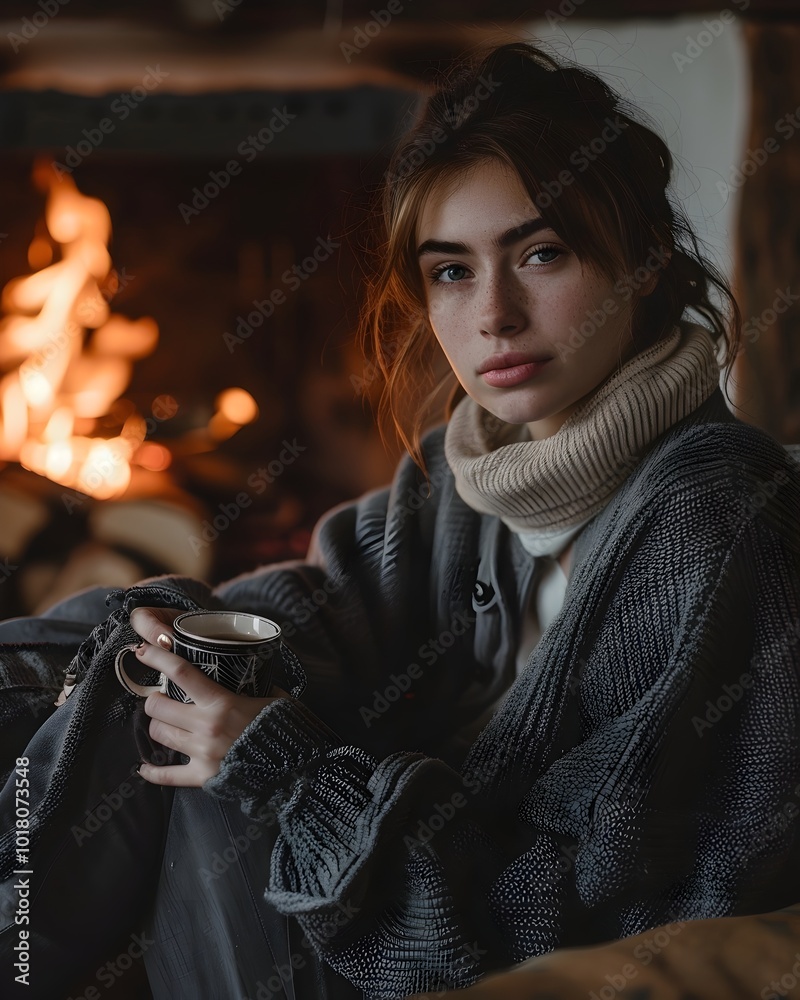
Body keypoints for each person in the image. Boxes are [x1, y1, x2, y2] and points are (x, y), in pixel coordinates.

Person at [1, 41, 799, 1000]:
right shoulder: (468, 481)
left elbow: (589, 905)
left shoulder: (713, 521)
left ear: (643, 260)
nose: (494, 315)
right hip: (357, 916)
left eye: (541, 253)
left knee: (191, 735)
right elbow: (309, 605)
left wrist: (285, 773)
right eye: (452, 271)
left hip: (412, 953)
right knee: (169, 652)